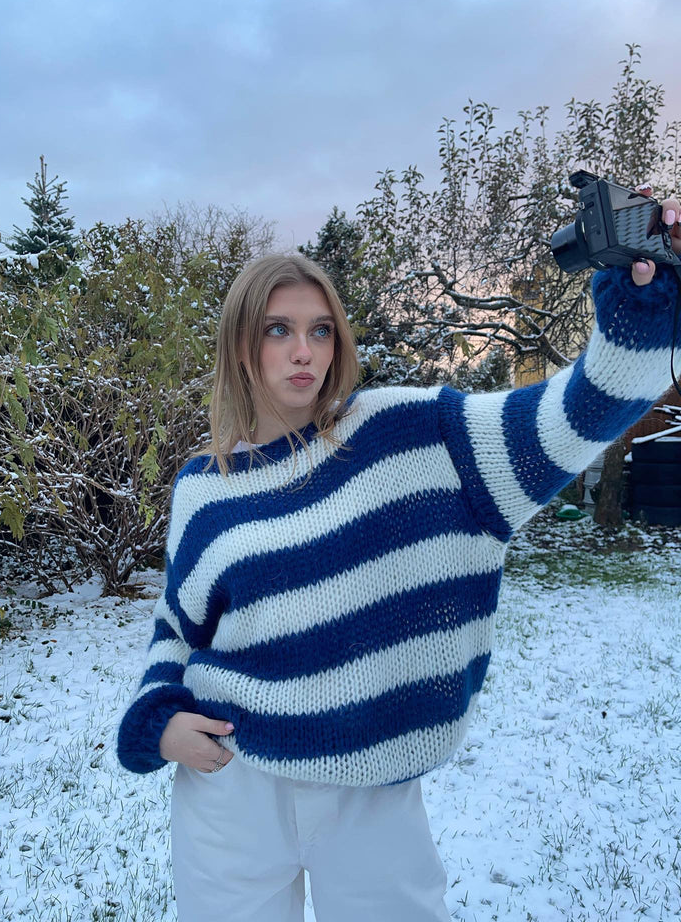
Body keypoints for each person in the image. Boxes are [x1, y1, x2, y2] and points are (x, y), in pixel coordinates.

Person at [116, 192, 681, 922]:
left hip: (372, 785)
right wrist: (156, 719)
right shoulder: (203, 486)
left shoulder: (403, 433)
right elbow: (177, 626)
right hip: (232, 780)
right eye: (278, 329)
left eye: (320, 330)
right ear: (238, 344)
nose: (303, 351)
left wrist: (640, 314)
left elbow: (567, 422)